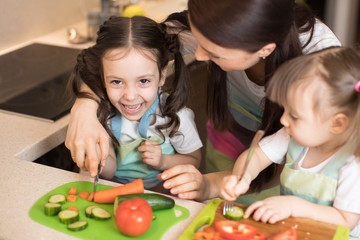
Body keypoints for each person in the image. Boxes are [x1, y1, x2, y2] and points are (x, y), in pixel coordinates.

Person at [65, 0, 340, 199]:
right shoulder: (211, 25)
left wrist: (210, 185)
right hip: (229, 134)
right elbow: (112, 53)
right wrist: (85, 106)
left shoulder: (320, 65)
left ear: (264, 49)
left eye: (214, 53)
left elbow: (297, 156)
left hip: (291, 171)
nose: (198, 56)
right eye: (199, 42)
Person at [220, 47, 360, 237]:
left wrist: (293, 206)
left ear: (337, 123)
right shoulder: (292, 136)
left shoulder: (353, 165)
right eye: (284, 110)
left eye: (294, 115)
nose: (283, 120)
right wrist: (242, 177)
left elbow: (346, 220)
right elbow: (257, 155)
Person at [68, 16, 202, 191]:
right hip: (118, 192)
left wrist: (163, 161)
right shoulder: (102, 113)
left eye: (144, 81)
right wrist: (96, 161)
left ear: (161, 76)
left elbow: (194, 160)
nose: (130, 96)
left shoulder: (176, 115)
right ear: (102, 78)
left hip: (164, 192)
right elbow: (110, 172)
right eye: (116, 82)